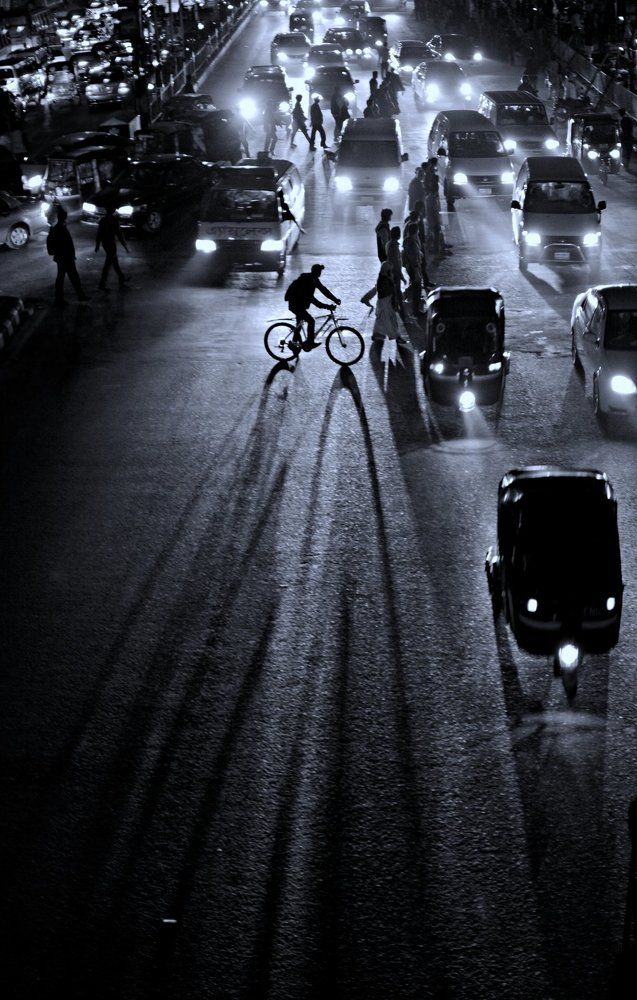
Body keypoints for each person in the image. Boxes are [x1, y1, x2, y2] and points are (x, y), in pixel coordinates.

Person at [285, 263, 341, 350]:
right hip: (296, 305)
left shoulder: (314, 279)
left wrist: (335, 299)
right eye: (319, 271)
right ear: (315, 272)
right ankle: (309, 343)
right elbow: (312, 300)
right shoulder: (308, 281)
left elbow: (324, 290)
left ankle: (294, 344)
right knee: (311, 321)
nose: (320, 273)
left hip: (299, 305)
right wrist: (327, 306)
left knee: (299, 324)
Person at [47, 206, 88, 306]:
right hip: (66, 258)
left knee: (62, 278)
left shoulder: (57, 228)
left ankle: (60, 298)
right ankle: (79, 296)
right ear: (64, 218)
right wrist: (71, 256)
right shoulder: (62, 229)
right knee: (73, 277)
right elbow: (67, 245)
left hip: (61, 258)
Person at [361, 207, 393, 307]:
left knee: (384, 278)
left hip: (383, 256)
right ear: (388, 216)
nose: (391, 217)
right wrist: (389, 256)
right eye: (390, 216)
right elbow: (385, 244)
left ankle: (367, 297)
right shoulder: (383, 228)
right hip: (385, 256)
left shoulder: (382, 226)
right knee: (387, 278)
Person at [371, 260, 408, 345]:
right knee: (391, 320)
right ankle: (397, 337)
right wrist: (394, 300)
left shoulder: (383, 277)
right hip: (386, 302)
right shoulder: (385, 279)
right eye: (390, 269)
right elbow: (389, 291)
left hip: (384, 302)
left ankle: (377, 335)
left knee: (382, 319)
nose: (391, 270)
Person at [95, 203, 129, 291]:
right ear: (113, 211)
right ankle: (103, 283)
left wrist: (97, 245)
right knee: (109, 263)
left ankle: (121, 277)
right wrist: (125, 246)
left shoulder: (103, 220)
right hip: (111, 244)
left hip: (105, 243)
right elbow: (119, 235)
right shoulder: (114, 220)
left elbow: (99, 234)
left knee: (113, 261)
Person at [402, 221, 423, 312]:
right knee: (417, 288)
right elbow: (414, 258)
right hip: (414, 268)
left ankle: (412, 304)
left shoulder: (407, 240)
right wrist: (417, 271)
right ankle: (416, 309)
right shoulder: (412, 243)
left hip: (409, 267)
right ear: (416, 231)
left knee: (414, 285)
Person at [386, 225, 406, 318]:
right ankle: (402, 314)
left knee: (395, 293)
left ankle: (398, 311)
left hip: (392, 272)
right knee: (397, 293)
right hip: (395, 273)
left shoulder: (389, 244)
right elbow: (396, 263)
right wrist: (401, 276)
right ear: (398, 235)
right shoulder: (394, 247)